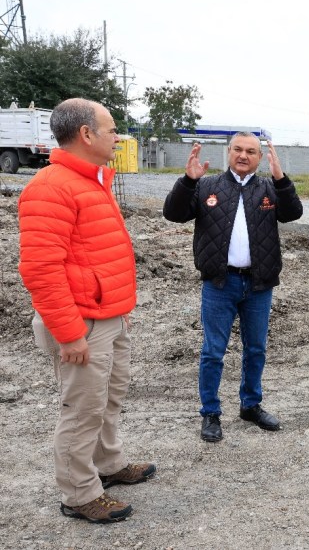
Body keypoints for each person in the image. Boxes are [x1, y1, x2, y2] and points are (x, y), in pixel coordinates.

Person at [18, 98, 156, 524]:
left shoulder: (92, 180)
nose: (118, 137)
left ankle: (108, 465)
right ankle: (79, 493)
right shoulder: (51, 186)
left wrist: (118, 309)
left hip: (107, 316)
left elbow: (95, 255)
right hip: (81, 322)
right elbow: (41, 269)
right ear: (86, 134)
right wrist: (69, 332)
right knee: (82, 409)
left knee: (107, 399)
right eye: (112, 129)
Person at [163, 133, 303, 442]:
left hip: (258, 284)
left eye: (251, 151)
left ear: (259, 157)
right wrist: (187, 180)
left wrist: (282, 179)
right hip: (219, 283)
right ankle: (210, 412)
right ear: (229, 152)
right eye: (238, 149)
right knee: (213, 351)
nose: (243, 155)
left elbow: (293, 213)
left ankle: (250, 405)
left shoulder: (269, 188)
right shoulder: (207, 187)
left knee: (256, 349)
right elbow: (173, 214)